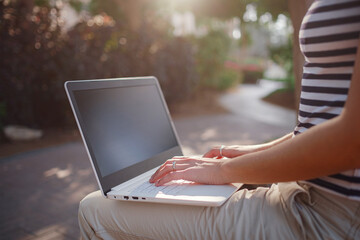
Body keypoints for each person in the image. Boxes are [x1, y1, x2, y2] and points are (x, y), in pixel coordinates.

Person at [78, 0, 360, 239]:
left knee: (93, 209)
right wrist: (235, 155)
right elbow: (320, 126)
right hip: (308, 198)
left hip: (326, 217)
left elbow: (352, 138)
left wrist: (224, 171)